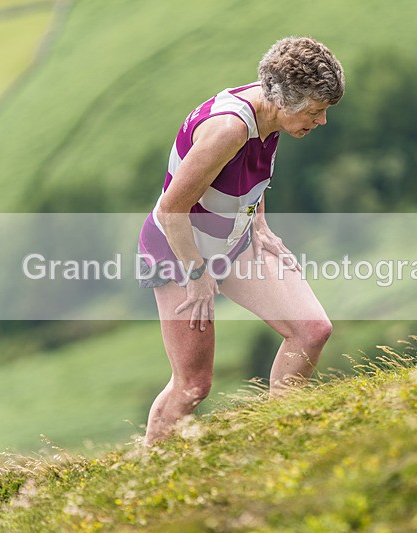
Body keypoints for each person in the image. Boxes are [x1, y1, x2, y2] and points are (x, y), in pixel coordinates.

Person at [137, 36, 345, 444]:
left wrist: (261, 226)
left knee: (312, 330)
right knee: (193, 386)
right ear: (282, 99)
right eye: (316, 112)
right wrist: (197, 276)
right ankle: (148, 471)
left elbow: (251, 176)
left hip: (231, 242)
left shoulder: (274, 114)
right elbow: (170, 209)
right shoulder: (229, 129)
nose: (321, 122)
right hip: (180, 252)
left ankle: (281, 436)